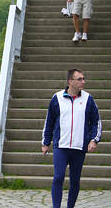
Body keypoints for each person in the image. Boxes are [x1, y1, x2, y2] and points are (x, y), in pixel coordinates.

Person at [42, 69, 102, 208]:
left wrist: (94, 140)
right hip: (61, 146)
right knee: (58, 177)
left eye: (83, 79)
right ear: (70, 81)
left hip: (79, 146)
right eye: (79, 79)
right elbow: (49, 121)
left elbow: (96, 121)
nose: (83, 82)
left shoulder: (88, 99)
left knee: (75, 180)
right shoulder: (57, 98)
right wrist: (45, 143)